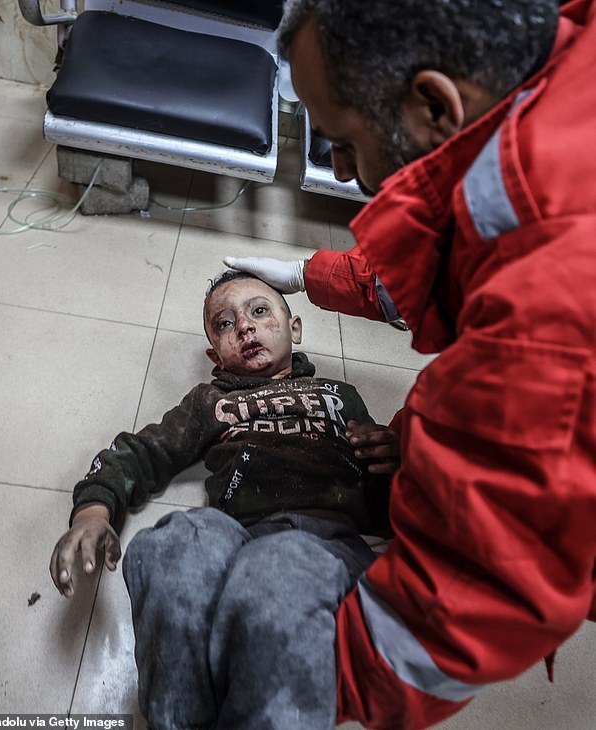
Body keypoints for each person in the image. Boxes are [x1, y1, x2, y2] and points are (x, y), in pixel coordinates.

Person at [224, 1, 596, 728]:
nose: (336, 167)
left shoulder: (556, 293)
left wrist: (309, 678)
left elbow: (476, 586)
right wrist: (312, 271)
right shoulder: (544, 92)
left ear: (431, 103)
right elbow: (450, 254)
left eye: (341, 139)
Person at [50, 270, 399, 730]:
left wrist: (397, 462)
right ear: (216, 354)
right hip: (238, 536)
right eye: (226, 323)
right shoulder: (209, 401)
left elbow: (385, 500)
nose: (246, 327)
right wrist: (93, 512)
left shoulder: (339, 396)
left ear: (294, 328)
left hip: (323, 540)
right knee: (171, 544)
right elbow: (140, 452)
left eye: (259, 312)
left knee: (279, 569)